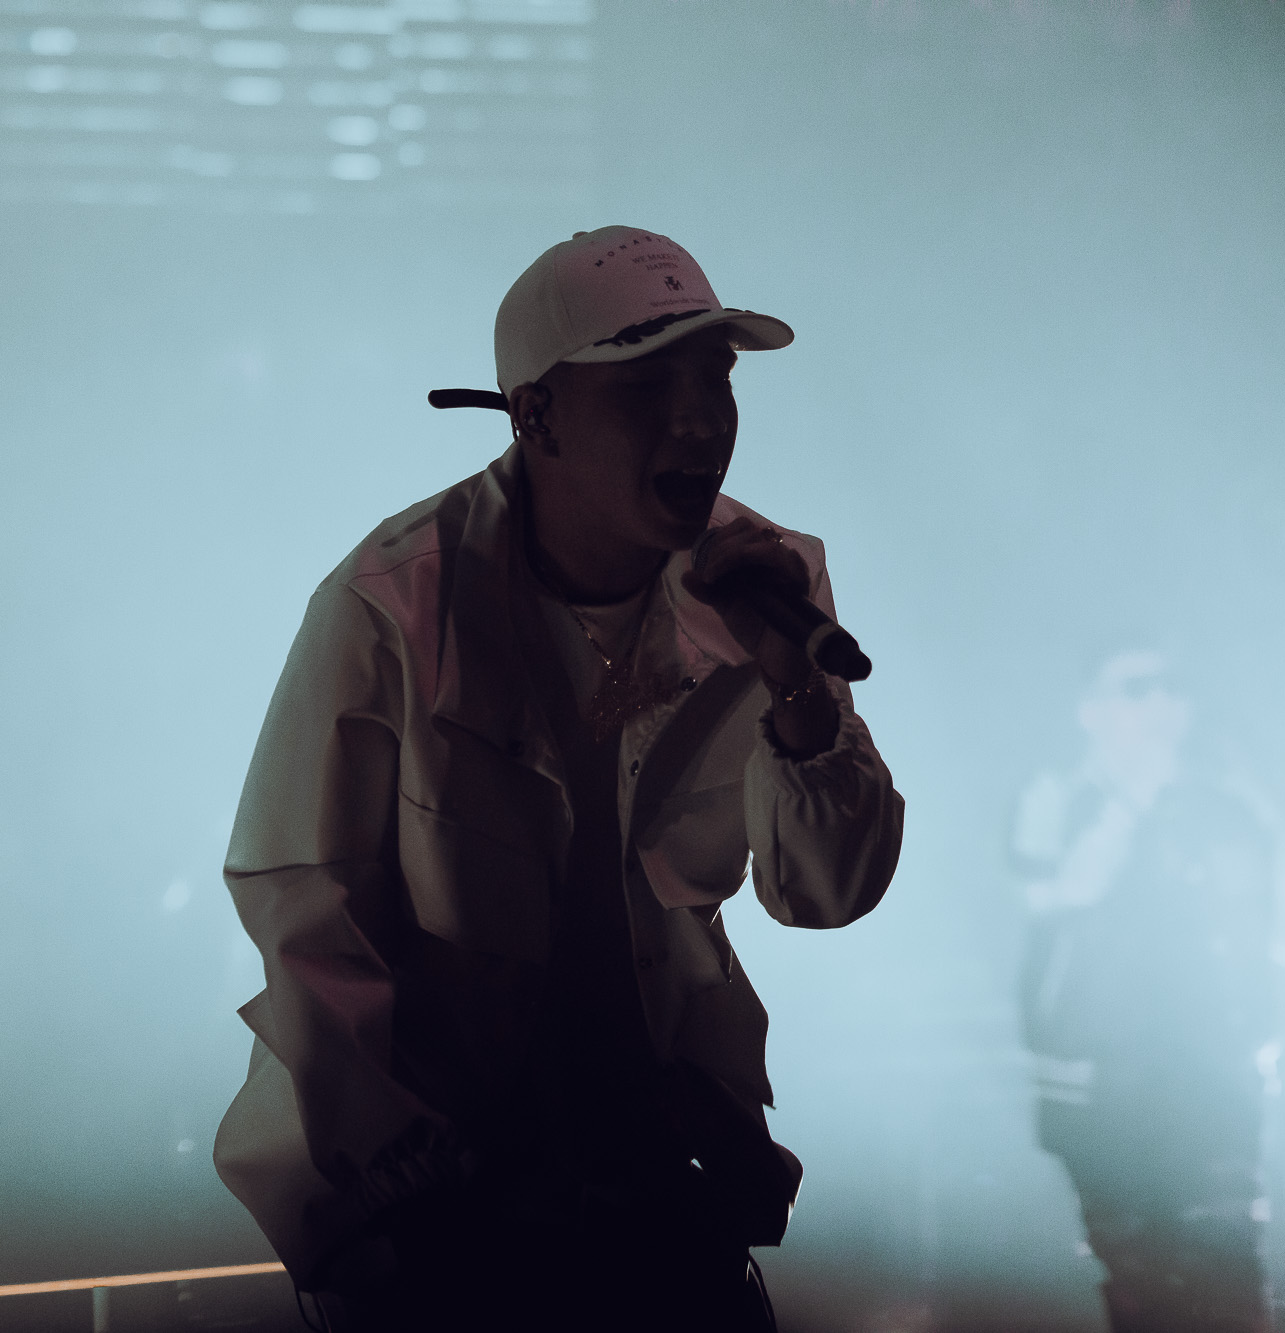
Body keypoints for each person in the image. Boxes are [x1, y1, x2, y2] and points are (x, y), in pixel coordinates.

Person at [213, 226, 904, 1331]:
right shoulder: (394, 603)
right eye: (648, 387)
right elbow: (308, 912)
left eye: (715, 382)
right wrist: (406, 1194)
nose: (699, 422)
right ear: (535, 415)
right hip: (434, 1202)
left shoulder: (768, 583)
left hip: (659, 1164)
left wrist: (794, 686)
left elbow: (826, 893)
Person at [1012, 650, 1283, 1333]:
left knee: (1228, 1267)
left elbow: (1272, 917)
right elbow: (1054, 893)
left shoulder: (1223, 803)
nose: (1161, 704)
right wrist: (1133, 800)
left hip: (1215, 1076)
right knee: (1140, 1276)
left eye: (1172, 687)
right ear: (1091, 710)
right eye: (1137, 689)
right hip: (1099, 1084)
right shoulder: (1054, 798)